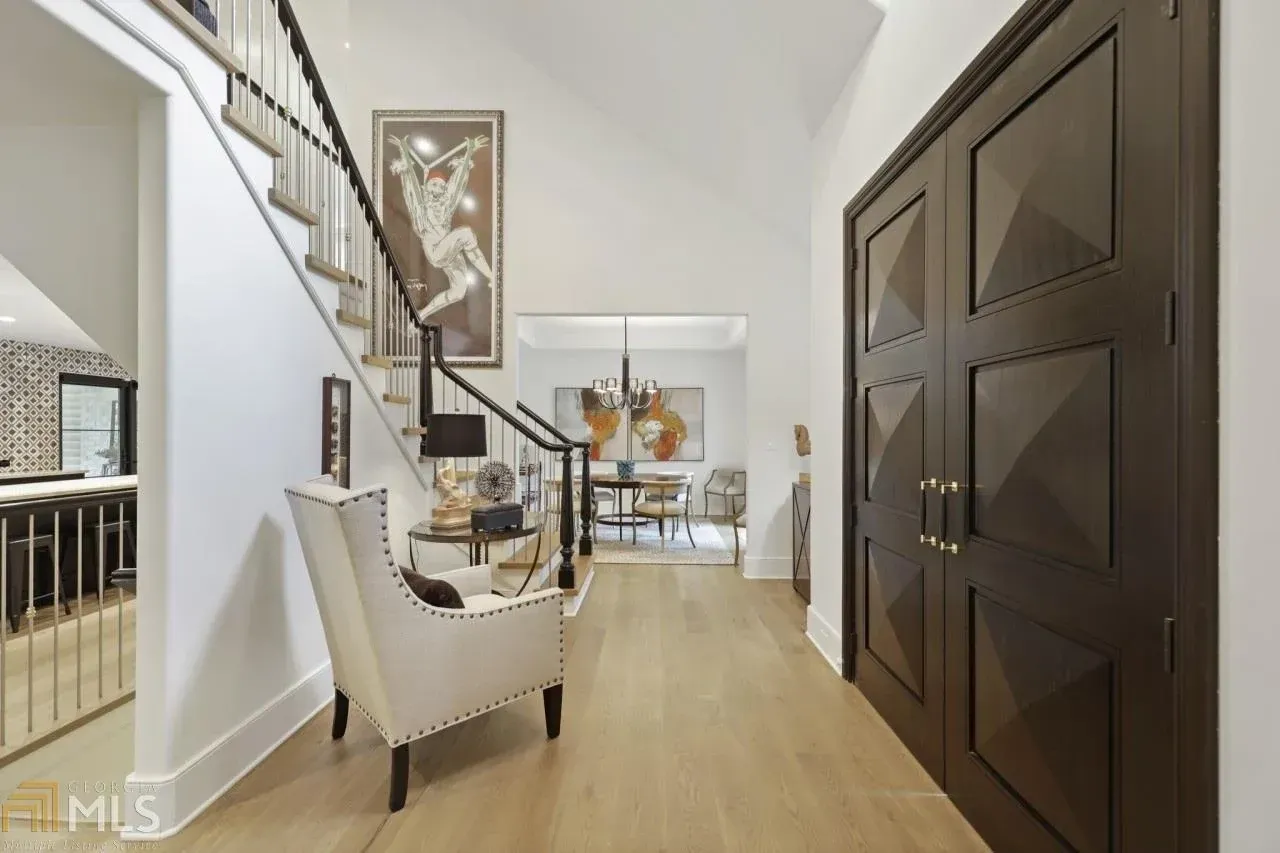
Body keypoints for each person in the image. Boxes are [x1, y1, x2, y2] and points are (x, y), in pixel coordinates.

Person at [388, 134, 495, 319]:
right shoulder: (420, 207)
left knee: (459, 291)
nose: (440, 189)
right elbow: (412, 186)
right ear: (427, 187)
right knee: (466, 233)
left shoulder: (446, 205)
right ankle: (492, 276)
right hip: (436, 251)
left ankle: (421, 315)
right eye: (435, 185)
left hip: (449, 248)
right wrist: (404, 150)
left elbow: (457, 184)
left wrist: (469, 151)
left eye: (441, 186)